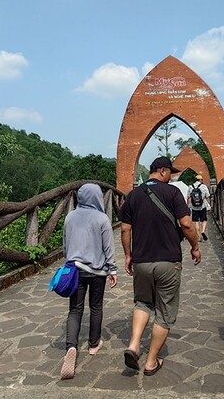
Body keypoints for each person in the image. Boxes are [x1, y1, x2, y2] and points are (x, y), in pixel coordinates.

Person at [119, 156, 201, 376]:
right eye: (170, 173)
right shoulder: (173, 193)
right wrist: (195, 247)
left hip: (142, 262)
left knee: (143, 303)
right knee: (164, 313)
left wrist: (128, 256)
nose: (171, 177)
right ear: (163, 171)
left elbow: (125, 229)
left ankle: (134, 345)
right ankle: (151, 362)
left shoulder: (133, 195)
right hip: (168, 261)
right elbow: (186, 224)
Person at [60, 183, 119, 380]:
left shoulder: (70, 216)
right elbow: (108, 247)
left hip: (75, 269)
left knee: (75, 310)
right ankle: (94, 344)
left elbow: (65, 245)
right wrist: (113, 269)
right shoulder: (102, 218)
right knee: (96, 307)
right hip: (97, 271)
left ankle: (71, 346)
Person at [189, 174, 211, 241]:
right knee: (204, 220)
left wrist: (188, 206)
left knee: (196, 221)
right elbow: (207, 196)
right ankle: (203, 231)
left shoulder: (191, 187)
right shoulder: (203, 186)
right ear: (201, 180)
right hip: (202, 206)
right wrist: (209, 206)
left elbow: (189, 197)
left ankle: (199, 237)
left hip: (194, 207)